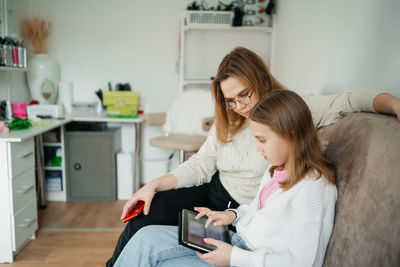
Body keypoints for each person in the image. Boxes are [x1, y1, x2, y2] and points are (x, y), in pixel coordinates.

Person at [106, 46, 400, 266]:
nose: (239, 106)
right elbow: (202, 164)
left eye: (244, 95)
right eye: (231, 100)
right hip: (222, 199)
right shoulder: (264, 160)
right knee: (147, 214)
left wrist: (394, 104)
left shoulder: (292, 113)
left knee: (157, 242)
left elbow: (349, 100)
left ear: (261, 79)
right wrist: (153, 185)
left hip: (242, 223)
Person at [114, 89, 337, 267]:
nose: (258, 148)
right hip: (236, 243)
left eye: (261, 140)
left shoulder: (313, 188)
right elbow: (258, 213)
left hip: (245, 258)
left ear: (292, 134)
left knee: (155, 259)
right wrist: (230, 215)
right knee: (145, 237)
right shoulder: (277, 170)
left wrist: (233, 258)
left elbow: (305, 262)